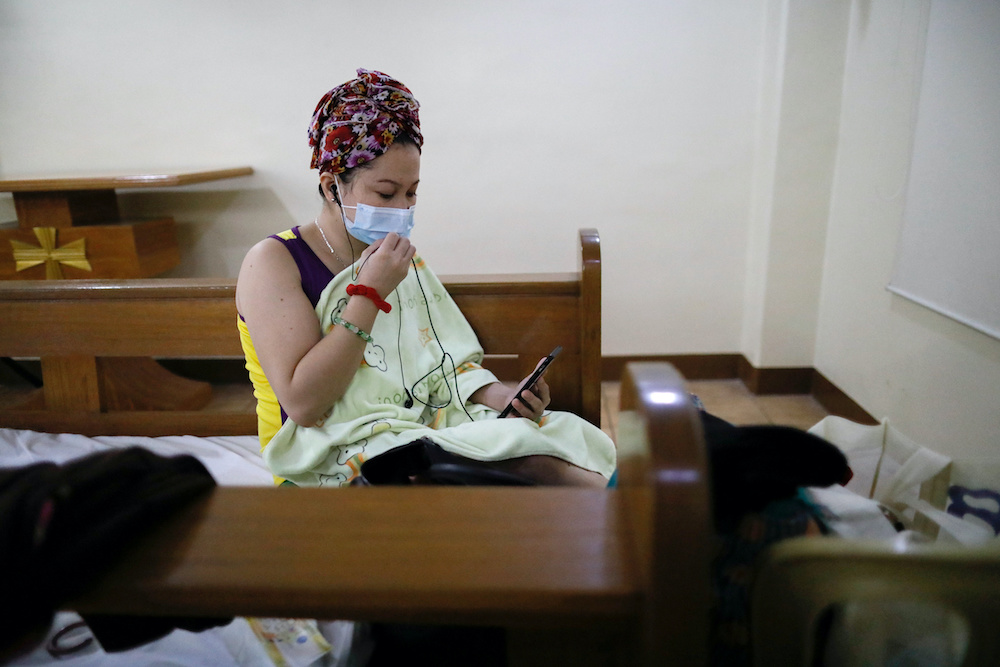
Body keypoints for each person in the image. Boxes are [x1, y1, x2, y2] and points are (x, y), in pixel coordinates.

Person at [236, 68, 615, 488]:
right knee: (529, 468)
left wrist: (501, 397)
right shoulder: (273, 262)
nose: (402, 209)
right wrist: (370, 293)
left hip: (414, 428)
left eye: (412, 192)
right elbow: (305, 404)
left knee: (554, 434)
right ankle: (630, 520)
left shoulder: (401, 262)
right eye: (385, 193)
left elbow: (438, 368)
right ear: (330, 187)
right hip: (326, 454)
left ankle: (638, 509)